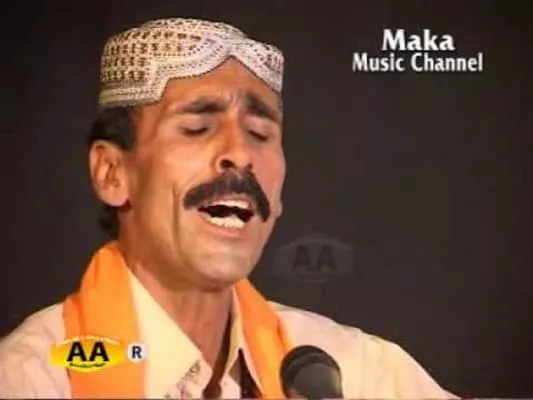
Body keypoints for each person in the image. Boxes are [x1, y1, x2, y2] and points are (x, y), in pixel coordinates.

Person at [0, 17, 457, 399]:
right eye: (197, 128)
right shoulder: (32, 379)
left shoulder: (350, 374)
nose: (241, 154)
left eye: (260, 134)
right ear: (112, 173)